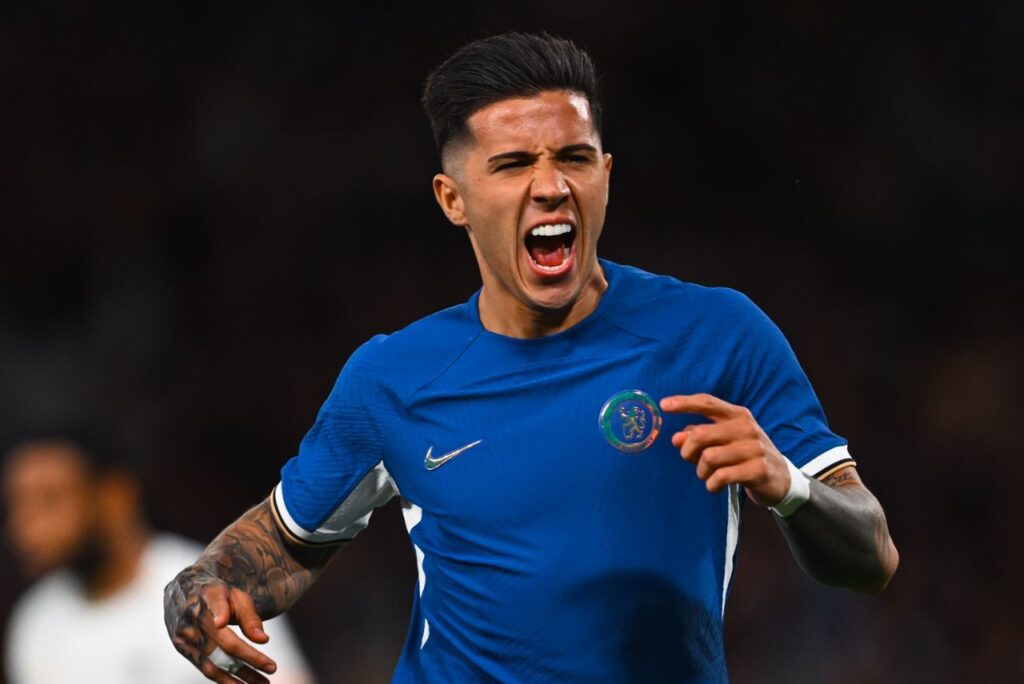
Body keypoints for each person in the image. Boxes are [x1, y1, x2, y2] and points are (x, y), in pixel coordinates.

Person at [164, 32, 899, 683]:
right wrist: (200, 586)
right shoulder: (393, 379)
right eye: (514, 164)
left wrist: (790, 487)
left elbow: (872, 558)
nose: (551, 186)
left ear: (605, 173)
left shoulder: (717, 334)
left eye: (574, 158)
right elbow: (284, 539)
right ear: (453, 199)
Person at [2, 431, 315, 684]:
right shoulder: (35, 625)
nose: (24, 524)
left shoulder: (212, 590)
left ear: (114, 496)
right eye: (17, 505)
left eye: (49, 501)